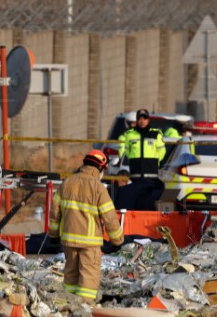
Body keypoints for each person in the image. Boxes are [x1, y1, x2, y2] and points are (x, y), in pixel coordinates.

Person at [48, 149, 124, 303]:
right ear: (100, 168)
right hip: (90, 243)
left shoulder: (67, 183)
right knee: (88, 281)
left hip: (69, 241)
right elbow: (110, 218)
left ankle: (67, 306)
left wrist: (53, 235)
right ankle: (84, 310)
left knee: (70, 277)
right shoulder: (98, 188)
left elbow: (55, 212)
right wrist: (117, 241)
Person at [117, 108, 166, 179]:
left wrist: (154, 162)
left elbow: (162, 151)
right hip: (135, 172)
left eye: (144, 118)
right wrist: (134, 161)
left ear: (148, 120)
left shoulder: (156, 134)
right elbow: (127, 152)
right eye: (140, 119)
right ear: (137, 120)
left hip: (151, 172)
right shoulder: (129, 135)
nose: (142, 121)